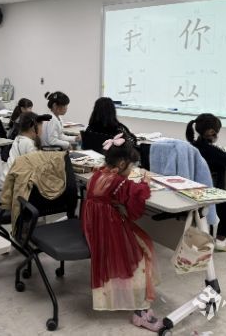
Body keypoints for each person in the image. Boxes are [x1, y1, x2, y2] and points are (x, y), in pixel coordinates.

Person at [81, 133, 162, 331]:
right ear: (122, 163)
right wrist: (145, 182)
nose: (132, 170)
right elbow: (136, 202)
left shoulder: (99, 173)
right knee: (141, 252)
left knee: (141, 243)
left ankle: (134, 302)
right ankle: (140, 311)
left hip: (92, 224)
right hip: (107, 226)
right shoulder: (118, 181)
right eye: (131, 166)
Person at [186, 113, 226, 252]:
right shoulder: (211, 150)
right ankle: (220, 240)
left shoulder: (193, 146)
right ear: (212, 131)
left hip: (195, 189)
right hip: (211, 192)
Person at [0, 112, 51, 189]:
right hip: (10, 190)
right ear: (33, 128)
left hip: (3, 184)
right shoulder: (28, 144)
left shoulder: (18, 139)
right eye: (41, 127)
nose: (42, 130)